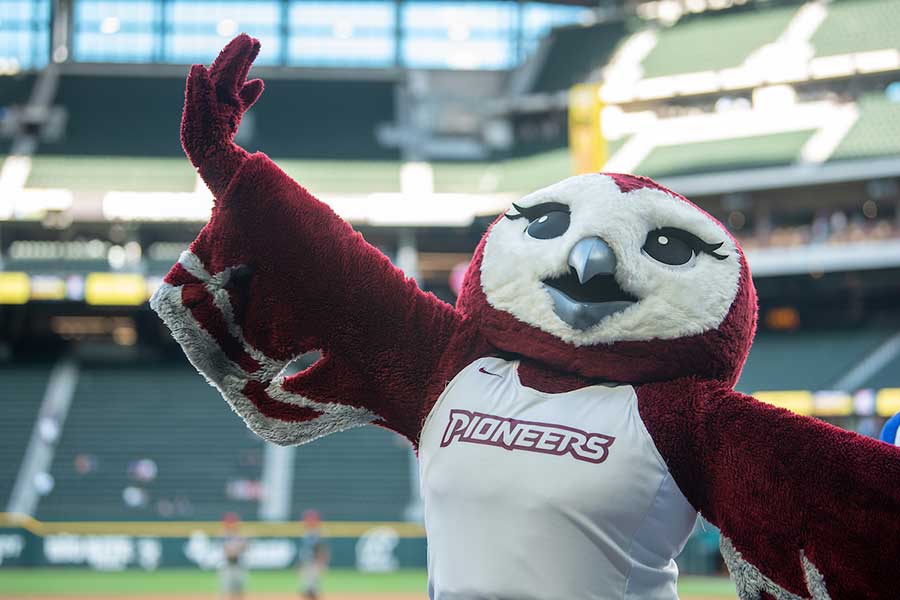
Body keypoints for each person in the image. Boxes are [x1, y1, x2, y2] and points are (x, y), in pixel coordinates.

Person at [298, 509, 329, 600]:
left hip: (314, 562)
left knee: (312, 588)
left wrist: (322, 562)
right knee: (307, 588)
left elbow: (322, 549)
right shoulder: (307, 533)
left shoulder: (317, 533)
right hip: (308, 561)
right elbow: (305, 550)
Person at [219, 512, 248, 600]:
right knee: (227, 592)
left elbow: (245, 547)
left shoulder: (240, 535)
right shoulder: (223, 535)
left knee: (239, 592)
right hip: (227, 566)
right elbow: (228, 552)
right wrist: (237, 548)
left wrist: (236, 548)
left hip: (239, 565)